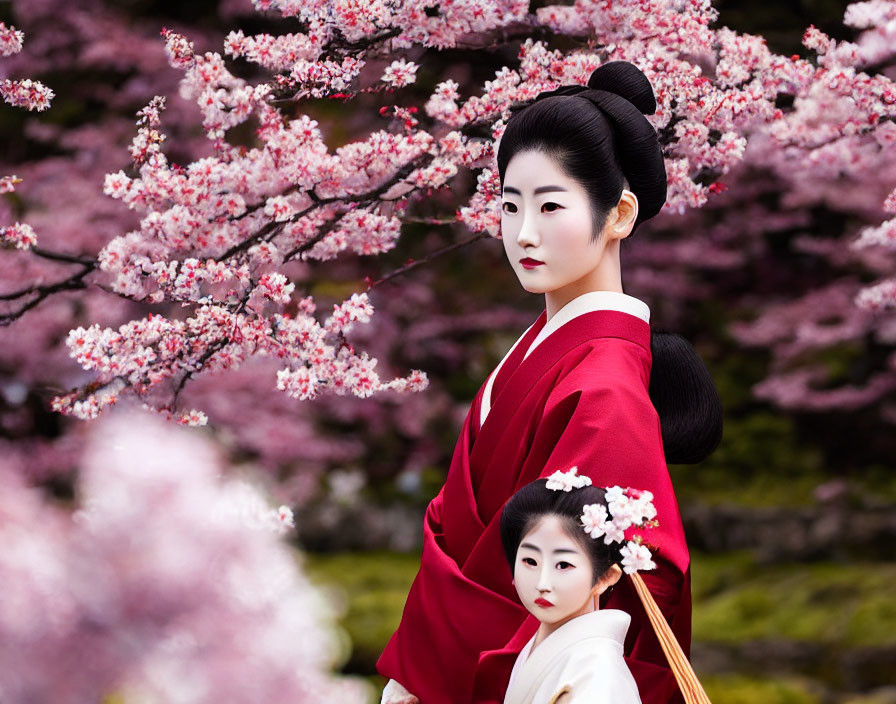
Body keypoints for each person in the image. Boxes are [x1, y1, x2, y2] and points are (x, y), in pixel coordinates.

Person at [378, 60, 722, 704]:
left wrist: (439, 668)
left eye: (550, 205)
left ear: (618, 214)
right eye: (510, 206)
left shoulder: (606, 388)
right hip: (444, 661)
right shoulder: (547, 358)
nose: (524, 233)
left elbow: (588, 583)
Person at [500, 469, 657, 704]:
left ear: (605, 577)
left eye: (563, 565)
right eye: (530, 562)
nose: (542, 583)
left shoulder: (598, 674)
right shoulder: (541, 649)